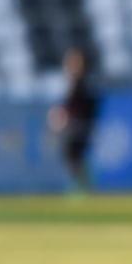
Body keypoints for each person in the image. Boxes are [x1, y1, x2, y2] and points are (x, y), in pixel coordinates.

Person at [47, 48, 99, 191]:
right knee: (73, 155)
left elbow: (83, 107)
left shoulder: (83, 83)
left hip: (79, 125)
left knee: (74, 154)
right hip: (75, 124)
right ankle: (82, 185)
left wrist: (66, 117)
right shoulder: (72, 83)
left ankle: (82, 186)